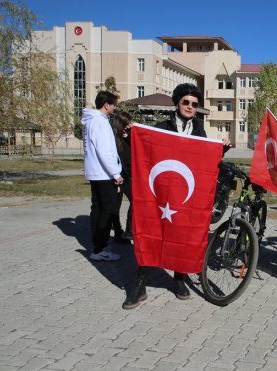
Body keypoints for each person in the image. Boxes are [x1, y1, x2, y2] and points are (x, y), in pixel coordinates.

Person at [123, 83, 232, 309]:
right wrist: (131, 136)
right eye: (186, 102)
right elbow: (146, 147)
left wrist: (222, 148)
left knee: (183, 234)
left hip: (185, 196)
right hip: (159, 194)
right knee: (151, 232)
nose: (190, 107)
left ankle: (178, 279)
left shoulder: (200, 130)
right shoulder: (162, 126)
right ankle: (140, 284)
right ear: (177, 102)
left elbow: (205, 160)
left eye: (194, 104)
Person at [82, 91, 124, 262]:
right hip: (104, 174)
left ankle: (97, 246)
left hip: (95, 173)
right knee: (107, 211)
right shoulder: (99, 122)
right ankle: (101, 248)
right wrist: (116, 173)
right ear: (106, 104)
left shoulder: (90, 121)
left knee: (98, 209)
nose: (114, 107)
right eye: (113, 104)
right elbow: (104, 150)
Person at [111, 111, 133, 241]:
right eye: (126, 124)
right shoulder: (112, 140)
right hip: (119, 177)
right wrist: (115, 177)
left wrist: (131, 133)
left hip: (128, 176)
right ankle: (119, 232)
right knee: (115, 205)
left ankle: (129, 231)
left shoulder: (126, 137)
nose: (128, 126)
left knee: (134, 202)